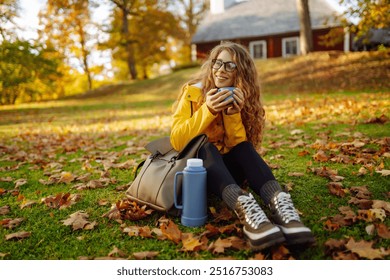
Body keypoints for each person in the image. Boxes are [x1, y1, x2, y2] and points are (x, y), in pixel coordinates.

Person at [170, 41, 315, 251]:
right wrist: (208, 110)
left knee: (245, 148)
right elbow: (177, 140)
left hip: (229, 175)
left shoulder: (241, 96)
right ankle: (247, 211)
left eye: (230, 65)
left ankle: (282, 208)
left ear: (241, 72)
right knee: (205, 146)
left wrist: (232, 114)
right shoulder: (192, 93)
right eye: (217, 63)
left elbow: (237, 146)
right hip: (198, 173)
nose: (221, 70)